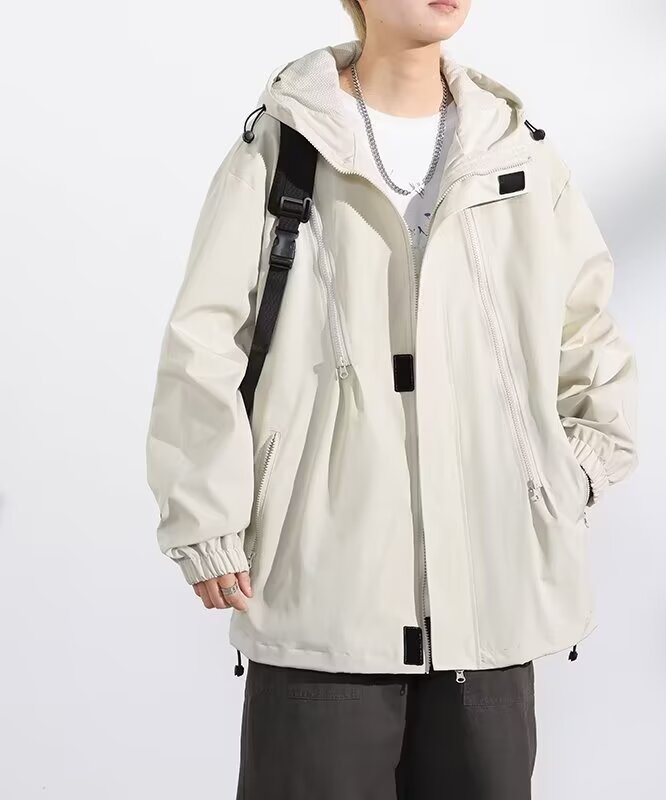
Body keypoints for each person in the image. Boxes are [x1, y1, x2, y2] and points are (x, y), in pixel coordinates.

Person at [144, 1, 639, 797]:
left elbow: (587, 331)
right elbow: (203, 344)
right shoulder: (283, 145)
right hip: (323, 591)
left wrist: (569, 475)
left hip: (489, 594)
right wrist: (206, 517)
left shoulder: (516, 151)